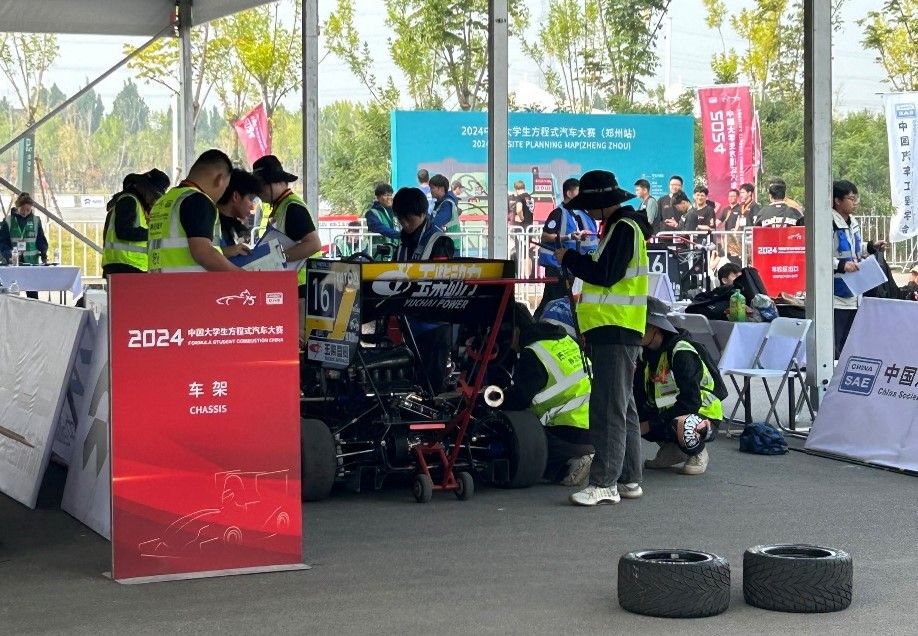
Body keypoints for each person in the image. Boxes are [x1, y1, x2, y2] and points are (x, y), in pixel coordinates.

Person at [555, 170, 651, 507]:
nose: (586, 211)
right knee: (623, 406)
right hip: (620, 327)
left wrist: (571, 259)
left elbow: (606, 274)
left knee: (608, 409)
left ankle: (605, 483)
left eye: (588, 205)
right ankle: (629, 478)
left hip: (615, 327)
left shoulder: (623, 227)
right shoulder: (624, 226)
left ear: (599, 202)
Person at [503, 302, 594, 486]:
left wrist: (495, 401)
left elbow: (519, 400)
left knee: (514, 434)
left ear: (515, 330)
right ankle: (576, 461)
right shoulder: (564, 339)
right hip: (595, 427)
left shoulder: (533, 353)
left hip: (570, 434)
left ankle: (569, 465)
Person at [636, 297, 720, 476]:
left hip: (702, 412)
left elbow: (690, 402)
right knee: (630, 416)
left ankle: (697, 451)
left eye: (641, 325)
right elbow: (639, 394)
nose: (636, 330)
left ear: (656, 327)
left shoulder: (681, 352)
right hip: (670, 410)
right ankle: (672, 450)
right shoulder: (645, 354)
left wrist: (650, 424)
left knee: (684, 423)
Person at [392, 187, 455, 392]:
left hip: (433, 324)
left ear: (421, 214)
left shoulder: (439, 241)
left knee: (432, 384)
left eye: (408, 219)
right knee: (410, 382)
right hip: (407, 323)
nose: (404, 224)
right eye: (400, 219)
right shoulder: (402, 243)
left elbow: (442, 281)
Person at [147, 149, 239, 273]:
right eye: (226, 187)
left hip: (159, 282)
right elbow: (203, 253)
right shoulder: (199, 200)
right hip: (188, 283)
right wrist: (241, 276)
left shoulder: (166, 200)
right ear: (219, 179)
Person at [832, 179, 886, 358]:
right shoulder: (828, 223)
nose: (855, 203)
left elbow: (854, 249)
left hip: (855, 291)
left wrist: (871, 247)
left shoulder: (852, 222)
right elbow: (818, 255)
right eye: (851, 199)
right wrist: (841, 265)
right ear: (837, 200)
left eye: (856, 199)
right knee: (835, 345)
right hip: (835, 295)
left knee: (849, 344)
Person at [253, 154, 322, 289]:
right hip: (293, 282)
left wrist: (277, 258)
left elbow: (314, 244)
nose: (259, 192)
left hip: (303, 284)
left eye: (261, 186)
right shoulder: (281, 205)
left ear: (278, 181)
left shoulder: (293, 207)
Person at [536, 177, 598, 316]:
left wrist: (580, 236)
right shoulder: (558, 212)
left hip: (568, 264)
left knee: (556, 299)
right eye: (578, 192)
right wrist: (569, 237)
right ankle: (540, 322)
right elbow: (545, 236)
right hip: (556, 265)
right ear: (569, 193)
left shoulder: (576, 213)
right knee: (553, 299)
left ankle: (540, 322)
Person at [101, 169, 170, 276]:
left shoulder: (137, 204)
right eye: (154, 194)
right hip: (125, 265)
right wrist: (152, 233)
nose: (154, 200)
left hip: (126, 265)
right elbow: (123, 232)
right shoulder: (129, 201)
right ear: (145, 188)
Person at [0, 192, 49, 298]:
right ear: (17, 207)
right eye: (22, 209)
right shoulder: (8, 221)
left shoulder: (36, 220)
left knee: (33, 295)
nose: (25, 212)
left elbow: (40, 239)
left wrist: (44, 253)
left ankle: (33, 309)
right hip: (13, 263)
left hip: (31, 263)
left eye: (28, 210)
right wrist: (8, 254)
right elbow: (3, 242)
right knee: (12, 295)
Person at [216, 168, 260, 257]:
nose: (252, 206)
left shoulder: (237, 228)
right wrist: (225, 252)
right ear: (235, 196)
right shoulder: (210, 224)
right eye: (250, 199)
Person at [429, 173, 461, 238]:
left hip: (450, 242)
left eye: (432, 188)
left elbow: (436, 225)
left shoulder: (447, 204)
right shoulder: (440, 204)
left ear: (441, 188)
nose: (430, 190)